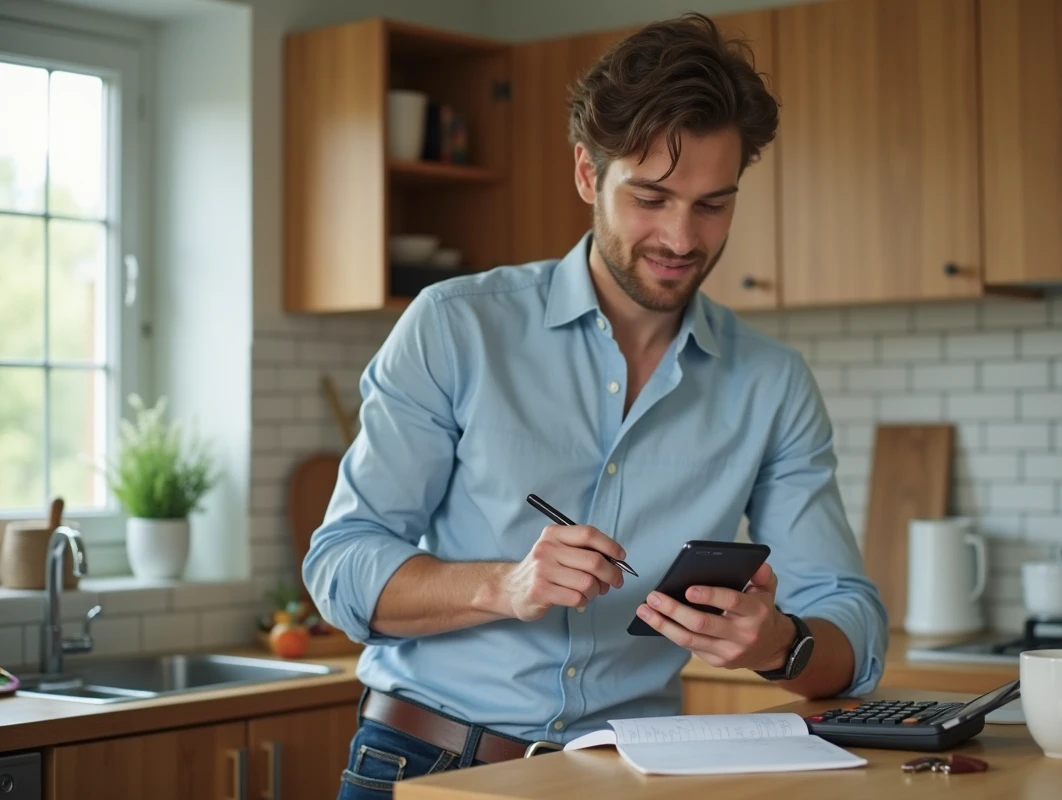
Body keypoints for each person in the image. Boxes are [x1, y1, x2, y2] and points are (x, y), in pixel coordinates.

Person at [304, 12, 887, 798]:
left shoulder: (771, 383)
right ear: (588, 174)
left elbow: (853, 619)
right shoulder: (455, 325)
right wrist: (504, 586)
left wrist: (779, 644)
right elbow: (340, 565)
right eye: (651, 197)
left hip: (626, 780)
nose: (682, 237)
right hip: (423, 769)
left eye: (713, 204)